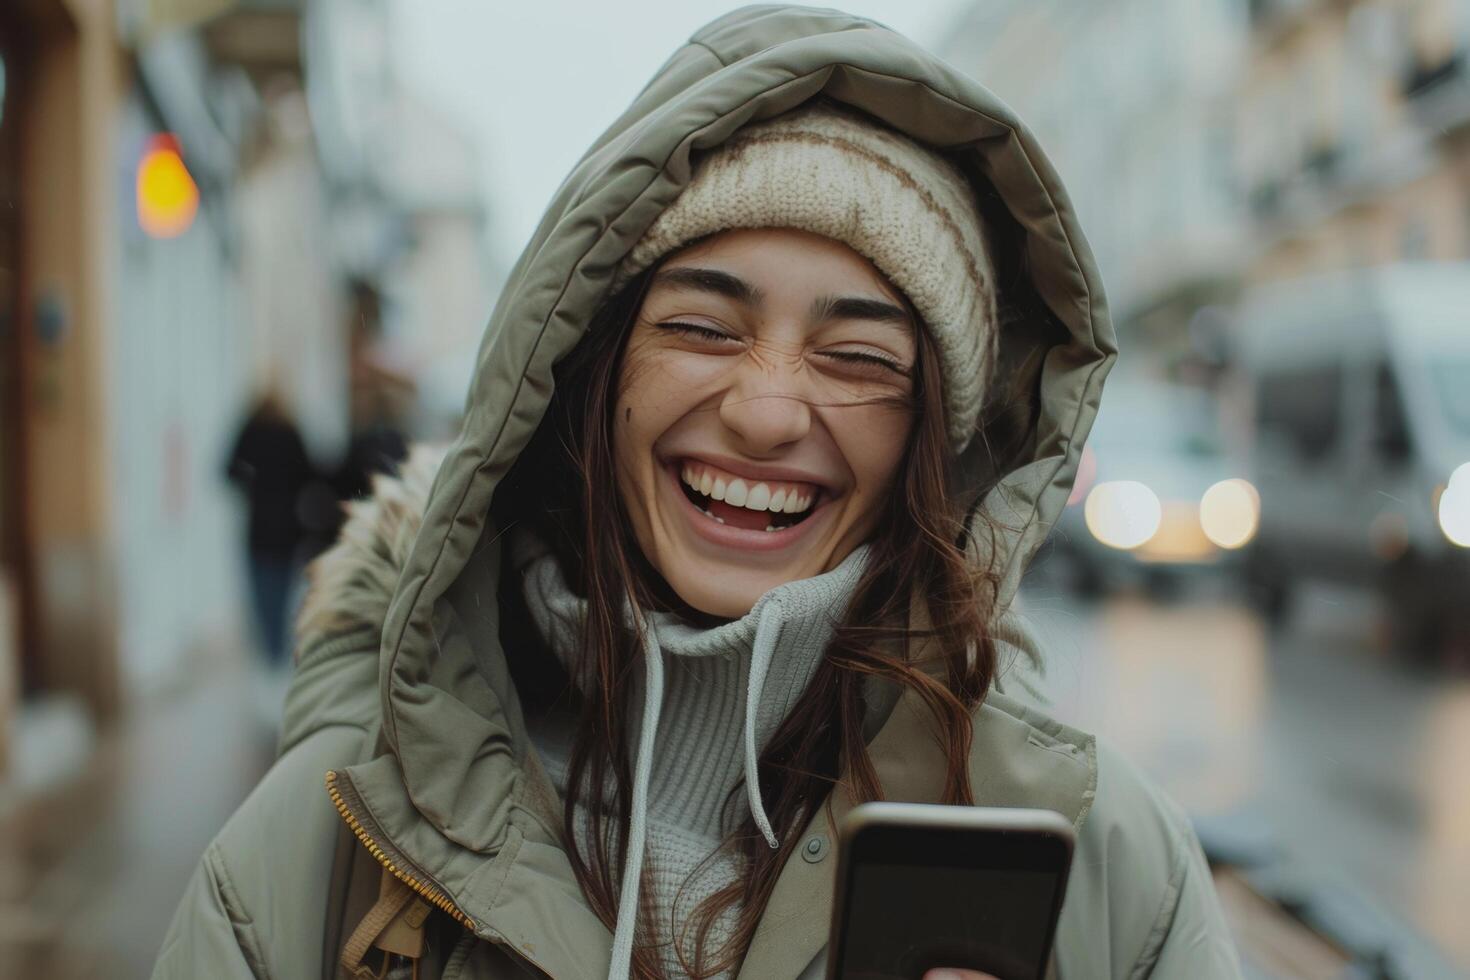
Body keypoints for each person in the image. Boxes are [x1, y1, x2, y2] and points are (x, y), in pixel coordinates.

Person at [156, 7, 1243, 979]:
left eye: (858, 356)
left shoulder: (1104, 867)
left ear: (930, 442)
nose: (768, 411)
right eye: (700, 325)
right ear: (592, 375)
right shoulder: (329, 845)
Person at [223, 388, 314, 668]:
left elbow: (229, 471)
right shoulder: (291, 433)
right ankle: (277, 657)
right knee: (282, 597)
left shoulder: (251, 433)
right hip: (287, 532)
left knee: (263, 600)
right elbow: (310, 474)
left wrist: (255, 484)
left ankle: (270, 657)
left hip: (260, 531)